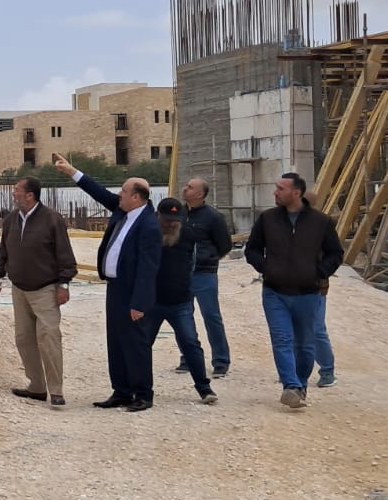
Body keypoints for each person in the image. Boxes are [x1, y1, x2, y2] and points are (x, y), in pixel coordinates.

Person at [53, 154, 161, 412]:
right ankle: (121, 391)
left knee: (136, 343)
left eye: (123, 191)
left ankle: (143, 394)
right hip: (115, 288)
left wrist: (139, 303)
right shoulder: (123, 210)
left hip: (132, 291)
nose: (118, 195)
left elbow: (148, 269)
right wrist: (72, 172)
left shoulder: (149, 224)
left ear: (137, 197)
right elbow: (99, 192)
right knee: (116, 341)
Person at [244, 172, 344, 408]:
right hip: (275, 292)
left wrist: (319, 272)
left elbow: (335, 253)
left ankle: (300, 385)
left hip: (308, 293)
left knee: (305, 345)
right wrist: (266, 268)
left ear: (296, 192)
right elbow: (252, 249)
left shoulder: (321, 222)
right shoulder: (267, 219)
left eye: (281, 188)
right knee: (282, 340)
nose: (275, 192)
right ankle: (290, 386)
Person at [0, 176, 77, 408]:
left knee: (49, 338)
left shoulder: (52, 219)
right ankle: (37, 387)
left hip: (46, 288)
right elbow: (4, 251)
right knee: (24, 339)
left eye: (17, 190)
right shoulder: (11, 220)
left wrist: (64, 284)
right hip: (19, 289)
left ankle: (56, 390)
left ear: (30, 195)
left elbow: (65, 254)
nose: (13, 193)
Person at [146, 198, 219, 405]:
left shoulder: (188, 234)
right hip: (151, 301)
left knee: (190, 343)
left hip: (180, 301)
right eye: (167, 220)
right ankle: (140, 388)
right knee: (142, 345)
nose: (172, 224)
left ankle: (204, 388)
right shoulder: (147, 233)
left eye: (175, 220)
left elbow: (192, 263)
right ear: (158, 216)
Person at [175, 177, 233, 377]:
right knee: (183, 317)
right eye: (186, 185)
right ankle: (188, 358)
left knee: (211, 316)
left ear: (200, 194)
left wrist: (208, 258)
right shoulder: (179, 214)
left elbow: (224, 245)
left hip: (204, 273)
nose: (185, 189)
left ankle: (221, 361)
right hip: (181, 274)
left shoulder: (213, 217)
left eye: (190, 187)